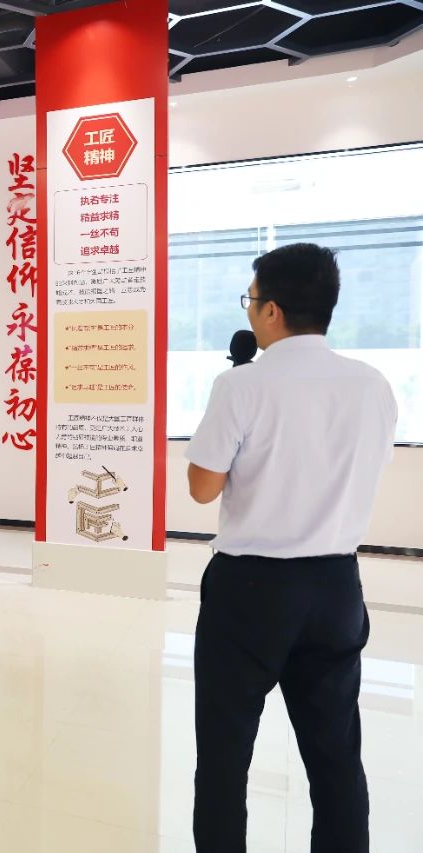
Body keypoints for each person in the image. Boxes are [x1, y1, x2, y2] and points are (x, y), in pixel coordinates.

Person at [186, 244, 396, 853]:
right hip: (335, 589)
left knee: (225, 755)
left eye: (250, 301)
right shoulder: (374, 386)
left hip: (249, 593)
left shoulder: (241, 385)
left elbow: (202, 488)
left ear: (272, 310)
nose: (251, 312)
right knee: (335, 757)